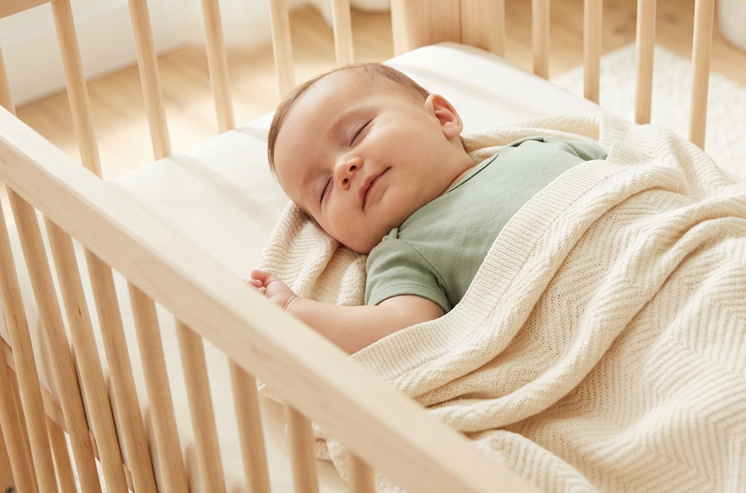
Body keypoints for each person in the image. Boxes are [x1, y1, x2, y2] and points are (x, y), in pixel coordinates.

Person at [250, 63, 605, 353]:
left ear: (441, 117)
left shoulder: (531, 148)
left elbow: (636, 169)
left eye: (358, 133)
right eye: (324, 188)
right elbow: (403, 331)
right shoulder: (405, 253)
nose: (343, 169)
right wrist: (296, 312)